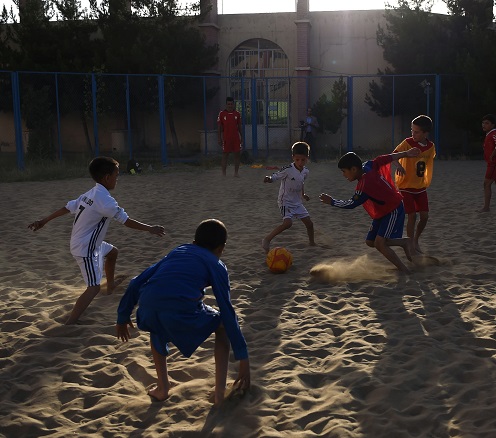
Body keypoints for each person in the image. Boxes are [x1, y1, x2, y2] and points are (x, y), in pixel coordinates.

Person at [116, 219, 250, 404]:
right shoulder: (217, 265)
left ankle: (162, 389)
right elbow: (227, 309)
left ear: (193, 242)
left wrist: (122, 315)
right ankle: (219, 394)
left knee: (158, 325)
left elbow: (136, 281)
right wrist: (243, 358)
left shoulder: (178, 251)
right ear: (221, 249)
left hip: (147, 307)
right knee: (222, 326)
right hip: (177, 310)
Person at [27, 156, 166, 325]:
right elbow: (126, 221)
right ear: (107, 178)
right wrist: (150, 228)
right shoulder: (105, 200)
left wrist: (44, 221)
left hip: (87, 243)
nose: (117, 179)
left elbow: (67, 207)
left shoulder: (90, 193)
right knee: (93, 287)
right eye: (116, 175)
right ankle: (70, 322)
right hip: (85, 248)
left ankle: (111, 286)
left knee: (113, 252)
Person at [319, 150, 420, 273]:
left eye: (344, 171)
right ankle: (404, 242)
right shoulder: (368, 165)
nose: (343, 175)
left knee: (380, 244)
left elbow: (351, 204)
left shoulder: (364, 185)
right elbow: (385, 158)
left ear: (354, 169)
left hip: (393, 209)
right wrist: (405, 154)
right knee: (370, 242)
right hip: (382, 211)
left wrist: (332, 202)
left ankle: (404, 270)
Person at [392, 115, 436, 254]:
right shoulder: (407, 143)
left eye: (416, 132)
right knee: (412, 216)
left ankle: (416, 239)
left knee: (424, 216)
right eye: (412, 130)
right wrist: (399, 165)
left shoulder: (430, 147)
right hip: (406, 187)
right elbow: (393, 156)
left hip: (420, 187)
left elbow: (428, 161)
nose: (413, 134)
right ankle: (410, 243)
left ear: (425, 133)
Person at [262, 141, 315, 253]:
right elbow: (276, 176)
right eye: (297, 159)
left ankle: (312, 243)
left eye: (303, 160)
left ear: (307, 158)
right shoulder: (288, 169)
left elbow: (301, 183)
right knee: (288, 223)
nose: (300, 162)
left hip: (297, 202)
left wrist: (303, 194)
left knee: (309, 224)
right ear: (293, 158)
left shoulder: (306, 171)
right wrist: (269, 179)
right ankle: (267, 239)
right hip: (285, 201)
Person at [217, 96, 243, 177]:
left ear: (233, 105)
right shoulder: (221, 114)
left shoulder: (237, 114)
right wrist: (219, 138)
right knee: (225, 155)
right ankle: (223, 174)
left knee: (237, 155)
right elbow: (219, 127)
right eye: (228, 104)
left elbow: (239, 126)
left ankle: (236, 173)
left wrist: (242, 137)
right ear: (226, 104)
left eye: (231, 104)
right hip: (226, 138)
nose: (230, 105)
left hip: (235, 138)